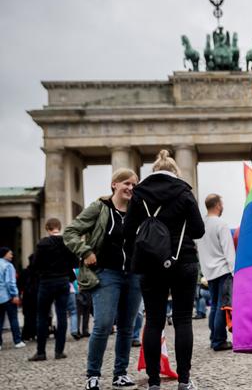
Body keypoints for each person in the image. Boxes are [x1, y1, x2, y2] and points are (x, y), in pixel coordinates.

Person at [123, 149, 205, 390]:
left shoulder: (138, 195)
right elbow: (199, 230)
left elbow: (128, 231)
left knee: (154, 321)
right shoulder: (184, 192)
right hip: (184, 260)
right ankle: (184, 381)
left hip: (150, 264)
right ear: (175, 172)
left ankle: (154, 383)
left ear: (154, 170)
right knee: (182, 321)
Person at [64, 168, 142, 390]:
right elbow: (70, 232)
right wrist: (86, 251)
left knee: (128, 327)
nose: (130, 188)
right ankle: (93, 375)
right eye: (126, 183)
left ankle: (120, 374)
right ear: (114, 184)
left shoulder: (138, 210)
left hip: (134, 274)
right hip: (107, 273)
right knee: (103, 324)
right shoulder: (100, 208)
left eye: (134, 185)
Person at [28, 218, 79, 361]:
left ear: (47, 228)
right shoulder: (66, 242)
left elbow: (35, 264)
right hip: (63, 281)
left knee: (42, 316)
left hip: (46, 282)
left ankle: (41, 352)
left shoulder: (43, 244)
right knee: (62, 316)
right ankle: (59, 351)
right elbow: (75, 262)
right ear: (59, 227)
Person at [196, 193, 235, 351]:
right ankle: (219, 341)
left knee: (213, 306)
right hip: (223, 270)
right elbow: (228, 250)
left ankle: (214, 337)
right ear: (218, 205)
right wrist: (234, 271)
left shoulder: (201, 224)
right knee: (222, 306)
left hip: (209, 271)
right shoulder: (221, 224)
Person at [0, 246, 25, 350]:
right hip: (8, 297)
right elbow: (10, 282)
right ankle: (17, 341)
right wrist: (14, 295)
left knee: (0, 320)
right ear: (5, 254)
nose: (12, 255)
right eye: (10, 253)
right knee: (13, 318)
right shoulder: (8, 266)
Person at [19, 253, 40, 341]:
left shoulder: (25, 272)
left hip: (27, 297)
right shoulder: (39, 272)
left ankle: (28, 334)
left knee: (28, 316)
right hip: (36, 296)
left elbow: (20, 285)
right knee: (36, 315)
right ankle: (35, 333)